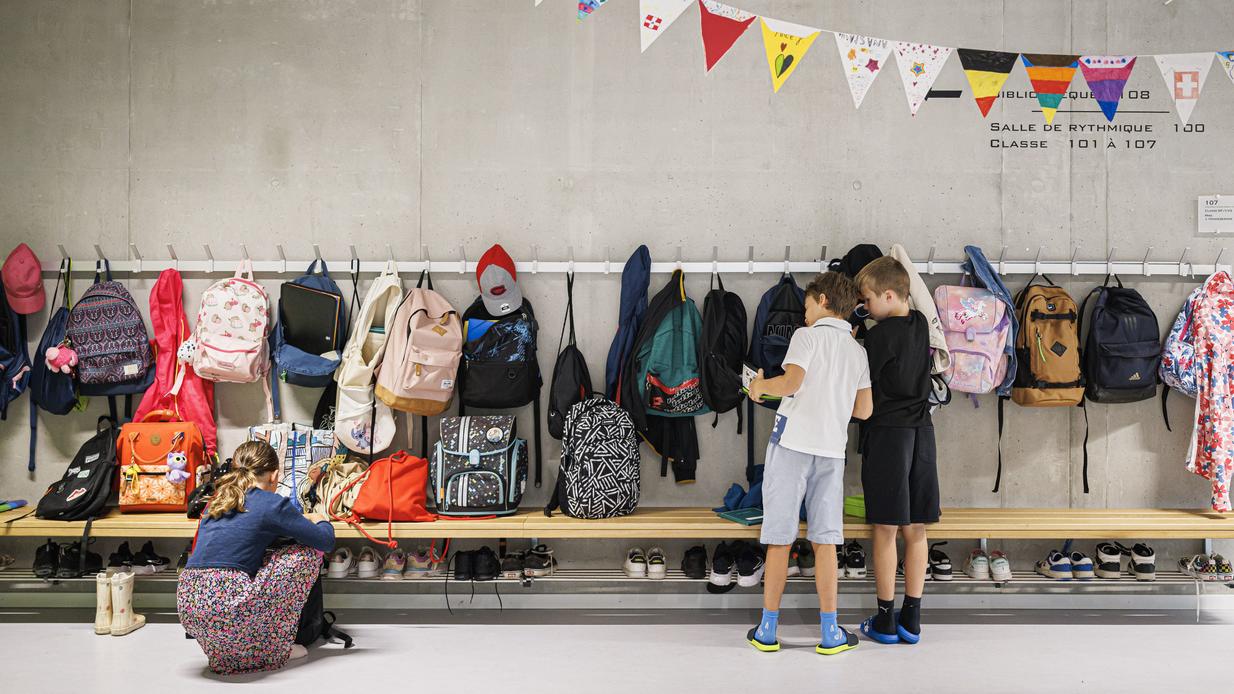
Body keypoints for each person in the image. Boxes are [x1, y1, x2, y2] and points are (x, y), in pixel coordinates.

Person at [745, 272, 872, 655]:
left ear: (822, 301)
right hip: (831, 451)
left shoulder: (807, 337)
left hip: (792, 446)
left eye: (806, 306)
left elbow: (790, 384)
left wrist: (758, 387)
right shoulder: (858, 350)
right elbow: (864, 410)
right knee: (826, 541)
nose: (803, 314)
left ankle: (768, 630)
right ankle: (831, 633)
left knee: (780, 538)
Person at [178, 441, 336, 675]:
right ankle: (276, 648)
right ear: (274, 476)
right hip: (227, 604)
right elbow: (325, 541)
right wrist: (322, 519)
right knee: (308, 552)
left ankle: (231, 654)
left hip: (190, 603)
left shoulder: (218, 501)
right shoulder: (271, 503)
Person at [853, 257, 939, 645]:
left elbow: (861, 382)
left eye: (869, 299)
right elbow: (910, 290)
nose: (866, 306)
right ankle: (913, 618)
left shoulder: (877, 338)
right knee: (916, 528)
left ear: (889, 295)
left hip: (888, 436)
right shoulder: (921, 324)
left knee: (885, 529)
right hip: (923, 434)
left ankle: (885, 619)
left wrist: (857, 331)